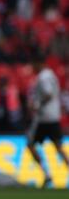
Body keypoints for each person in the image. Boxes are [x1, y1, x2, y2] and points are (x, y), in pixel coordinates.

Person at [27, 59, 69, 187]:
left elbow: (48, 93)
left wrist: (38, 105)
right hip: (54, 116)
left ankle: (46, 174)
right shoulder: (51, 74)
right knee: (58, 147)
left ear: (38, 63)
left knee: (30, 144)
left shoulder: (42, 77)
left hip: (43, 118)